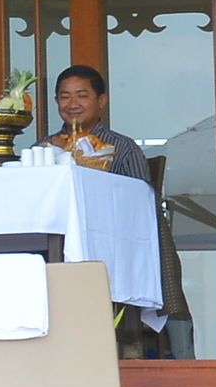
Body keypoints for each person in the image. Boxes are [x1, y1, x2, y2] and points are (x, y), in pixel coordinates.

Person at [47, 64, 170, 356]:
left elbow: (141, 208)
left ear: (101, 100)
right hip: (56, 250)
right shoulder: (46, 147)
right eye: (64, 97)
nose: (72, 104)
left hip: (112, 254)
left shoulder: (122, 148)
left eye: (81, 95)